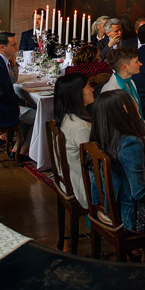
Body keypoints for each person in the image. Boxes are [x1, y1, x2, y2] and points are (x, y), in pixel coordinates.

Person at [90, 90, 145, 231]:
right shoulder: (130, 143)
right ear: (126, 109)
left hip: (111, 206)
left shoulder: (104, 137)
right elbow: (139, 192)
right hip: (134, 216)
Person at [0, 32, 35, 158]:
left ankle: (17, 148)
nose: (17, 48)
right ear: (2, 47)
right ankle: (24, 149)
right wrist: (20, 101)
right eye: (13, 45)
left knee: (32, 110)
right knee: (39, 117)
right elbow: (2, 94)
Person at [53, 73, 94, 208]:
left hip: (69, 179)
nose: (92, 89)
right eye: (89, 87)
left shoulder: (66, 117)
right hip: (82, 186)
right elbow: (93, 160)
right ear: (77, 93)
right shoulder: (80, 126)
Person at [101, 48, 143, 117]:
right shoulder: (111, 90)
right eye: (136, 62)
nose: (140, 64)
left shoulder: (130, 81)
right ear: (124, 67)